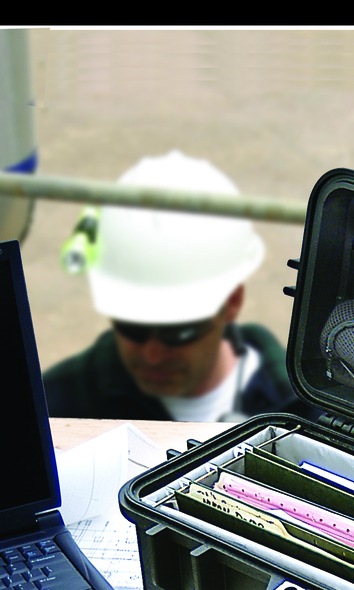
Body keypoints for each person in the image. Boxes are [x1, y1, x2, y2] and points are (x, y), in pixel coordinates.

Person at [42, 151, 312, 424]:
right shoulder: (54, 404)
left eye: (179, 332)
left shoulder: (302, 413)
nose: (153, 356)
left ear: (232, 301)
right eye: (131, 327)